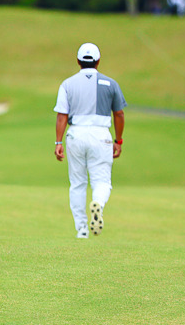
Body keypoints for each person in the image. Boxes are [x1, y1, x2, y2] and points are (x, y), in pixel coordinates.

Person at [54, 42, 126, 239]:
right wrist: (118, 141)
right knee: (101, 181)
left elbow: (62, 116)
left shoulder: (67, 84)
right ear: (98, 61)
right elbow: (119, 114)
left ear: (78, 61)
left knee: (77, 183)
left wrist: (58, 142)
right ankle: (98, 205)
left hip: (75, 134)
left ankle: (82, 229)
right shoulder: (111, 83)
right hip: (101, 134)